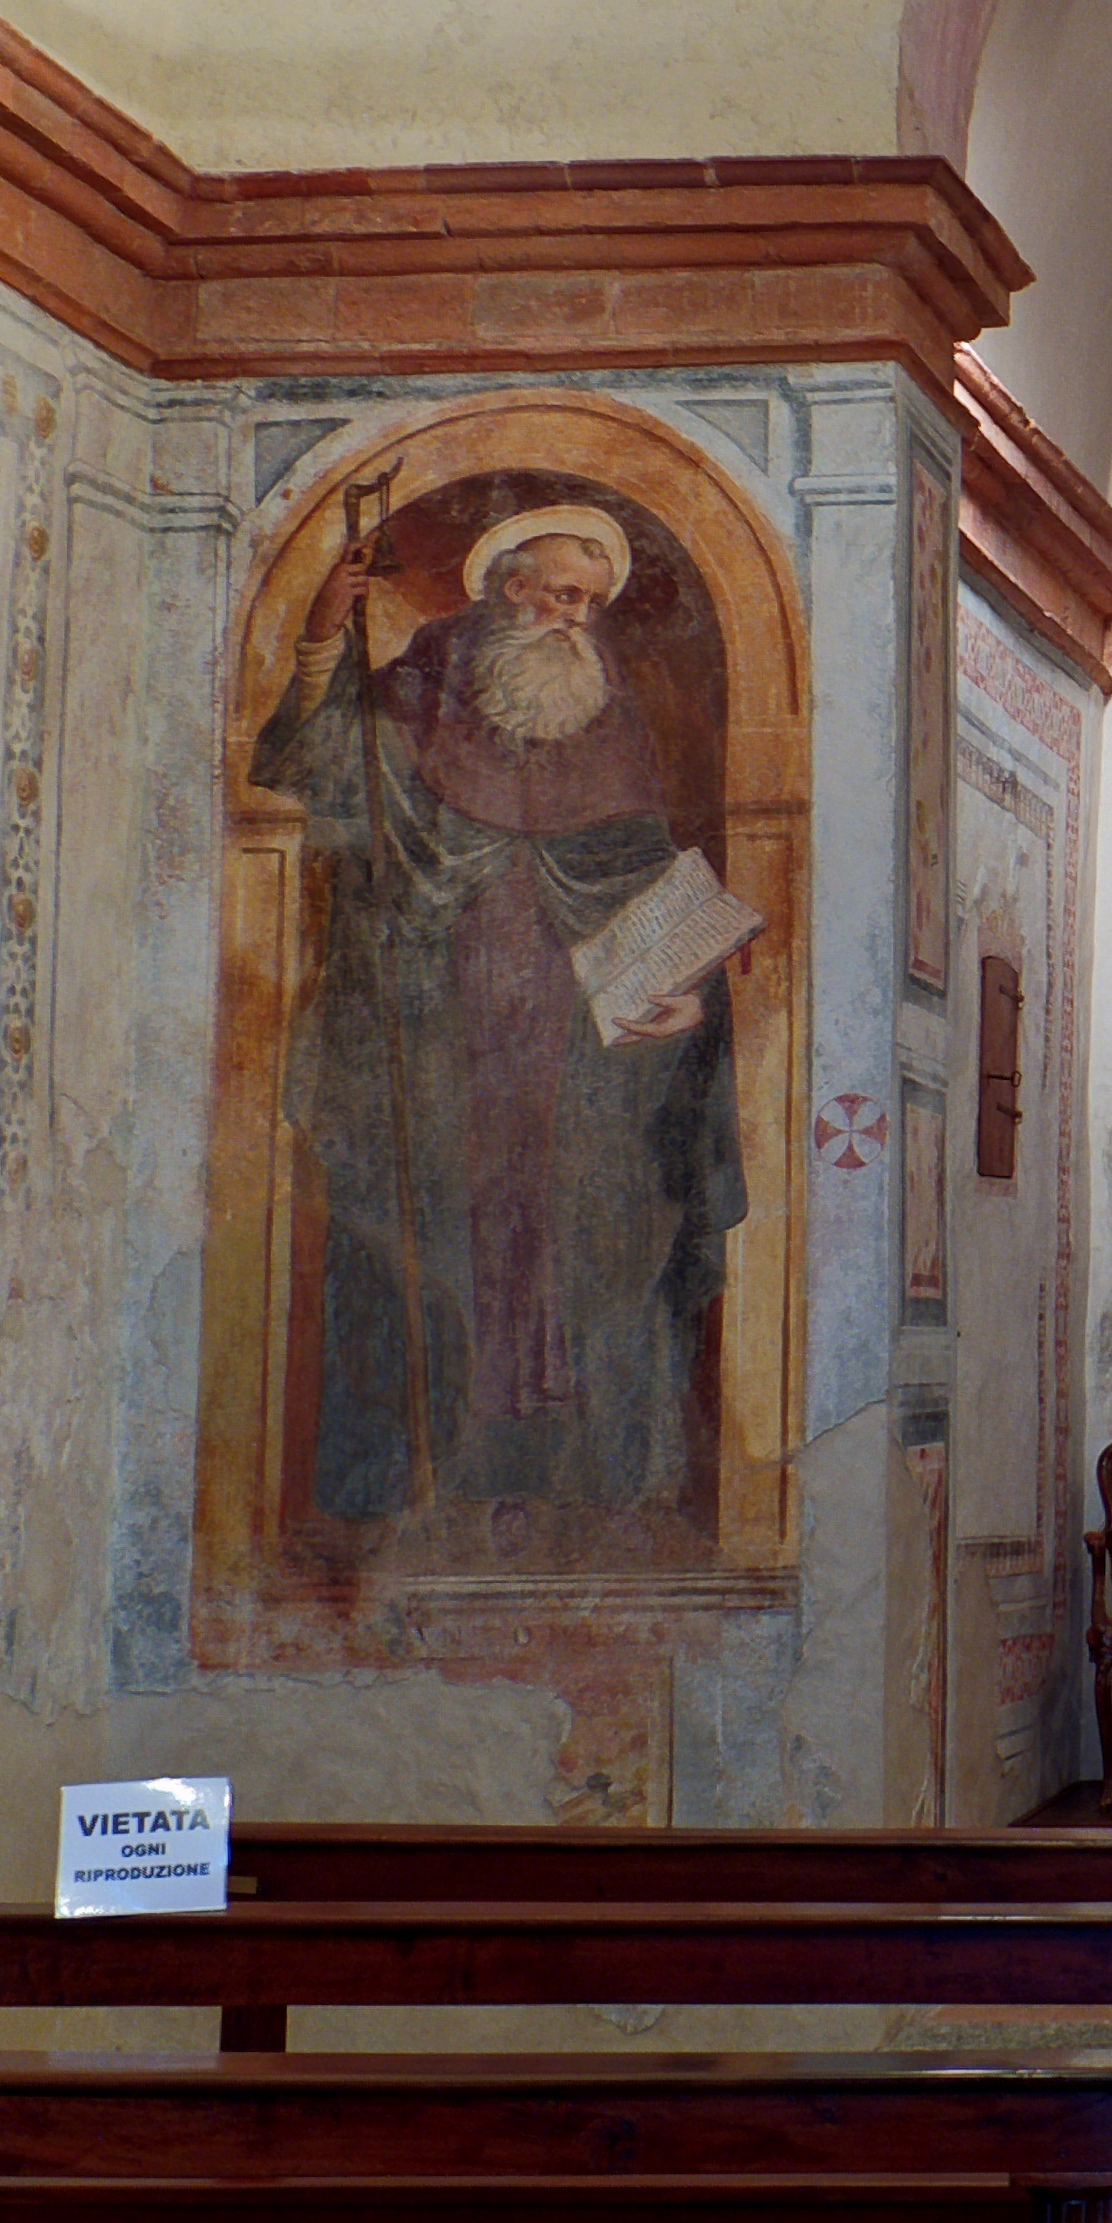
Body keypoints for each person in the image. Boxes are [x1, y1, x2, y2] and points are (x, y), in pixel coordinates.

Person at [254, 503, 743, 1524]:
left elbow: (649, 879)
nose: (577, 619)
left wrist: (688, 991)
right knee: (423, 1243)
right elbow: (322, 767)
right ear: (510, 587)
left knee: (597, 1243)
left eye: (592, 603)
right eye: (563, 595)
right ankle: (413, 1481)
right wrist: (316, 644)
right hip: (438, 1041)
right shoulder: (423, 689)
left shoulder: (609, 715)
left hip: (581, 1063)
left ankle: (583, 1481)